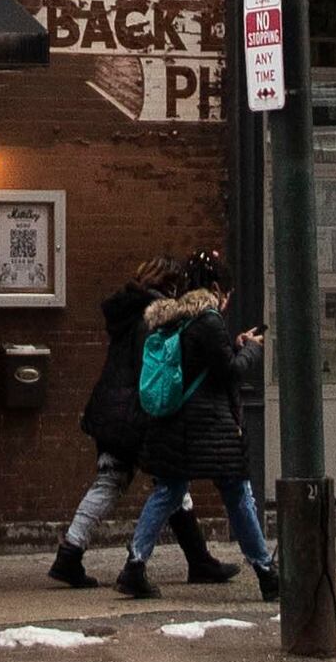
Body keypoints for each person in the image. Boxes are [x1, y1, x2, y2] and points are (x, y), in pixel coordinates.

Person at [51, 255, 223, 592]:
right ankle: (71, 555)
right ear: (170, 285)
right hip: (134, 412)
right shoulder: (154, 317)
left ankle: (70, 553)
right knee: (150, 481)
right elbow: (155, 369)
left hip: (110, 408)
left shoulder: (127, 310)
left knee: (136, 482)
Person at [121, 252, 276, 601]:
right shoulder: (208, 320)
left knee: (168, 493)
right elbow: (230, 371)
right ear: (218, 288)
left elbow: (204, 360)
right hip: (210, 427)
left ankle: (134, 565)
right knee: (238, 494)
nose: (228, 300)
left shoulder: (177, 317)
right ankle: (266, 571)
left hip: (175, 427)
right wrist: (250, 350)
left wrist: (232, 345)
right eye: (229, 293)